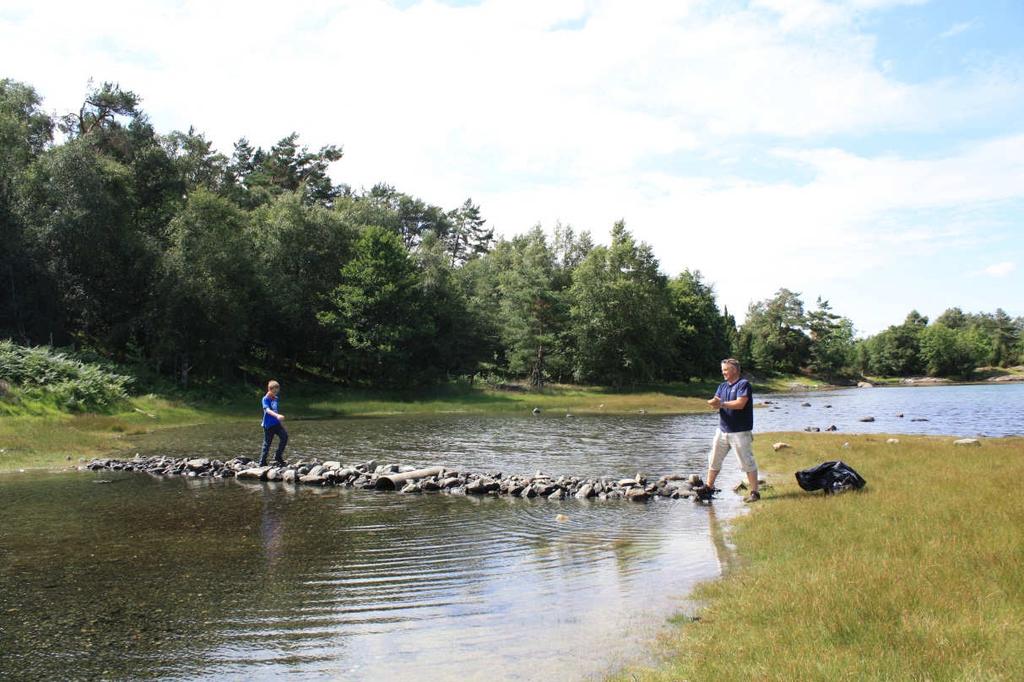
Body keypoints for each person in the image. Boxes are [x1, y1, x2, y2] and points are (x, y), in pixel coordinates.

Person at [701, 358, 760, 503]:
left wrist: (721, 403)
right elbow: (716, 401)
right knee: (714, 459)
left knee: (747, 462)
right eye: (722, 370)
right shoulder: (722, 386)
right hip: (722, 430)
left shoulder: (743, 384)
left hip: (740, 431)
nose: (723, 372)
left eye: (726, 370)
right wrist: (713, 403)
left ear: (734, 370)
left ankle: (755, 492)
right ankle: (709, 488)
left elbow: (740, 404)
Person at [259, 380, 288, 466]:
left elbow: (275, 409)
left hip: (276, 424)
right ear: (269, 389)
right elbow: (267, 410)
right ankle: (262, 462)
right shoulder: (265, 399)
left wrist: (279, 420)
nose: (275, 393)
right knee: (267, 444)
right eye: (274, 391)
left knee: (284, 437)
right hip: (268, 425)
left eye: (277, 391)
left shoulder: (275, 398)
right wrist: (277, 416)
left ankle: (278, 456)